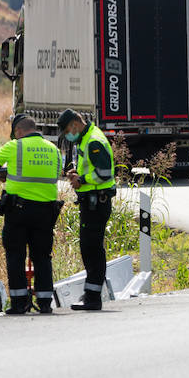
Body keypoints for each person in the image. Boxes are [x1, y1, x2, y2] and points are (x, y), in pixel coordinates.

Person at [0, 116, 62, 315]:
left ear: (18, 131)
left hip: (18, 210)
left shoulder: (15, 146)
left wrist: (3, 174)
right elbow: (55, 174)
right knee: (42, 256)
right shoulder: (53, 150)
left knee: (15, 254)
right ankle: (45, 302)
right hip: (46, 211)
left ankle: (19, 302)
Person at [58, 109, 116, 312]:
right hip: (91, 202)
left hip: (96, 202)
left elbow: (105, 173)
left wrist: (81, 180)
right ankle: (91, 294)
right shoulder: (86, 139)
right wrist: (77, 173)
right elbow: (91, 168)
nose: (68, 135)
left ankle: (93, 297)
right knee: (90, 248)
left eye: (67, 131)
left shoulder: (93, 140)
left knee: (92, 249)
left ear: (75, 124)